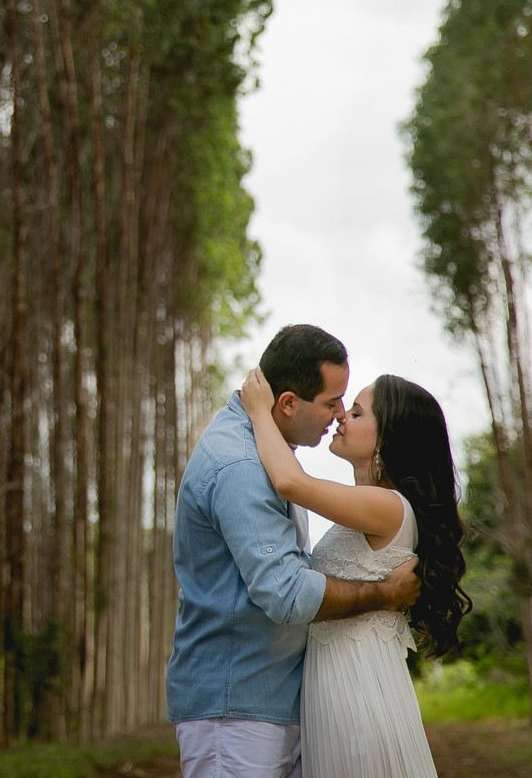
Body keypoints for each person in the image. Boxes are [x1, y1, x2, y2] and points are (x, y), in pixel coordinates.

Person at [166, 325, 421, 778]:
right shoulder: (241, 465)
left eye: (351, 407)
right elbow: (286, 594)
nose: (339, 414)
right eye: (331, 402)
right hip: (237, 711)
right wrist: (384, 593)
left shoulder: (266, 452)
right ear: (287, 403)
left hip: (272, 704)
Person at [241, 367, 472, 778]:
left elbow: (289, 482)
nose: (343, 415)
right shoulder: (371, 506)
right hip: (340, 681)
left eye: (359, 413)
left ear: (386, 439)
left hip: (359, 688)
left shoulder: (388, 506)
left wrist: (260, 412)